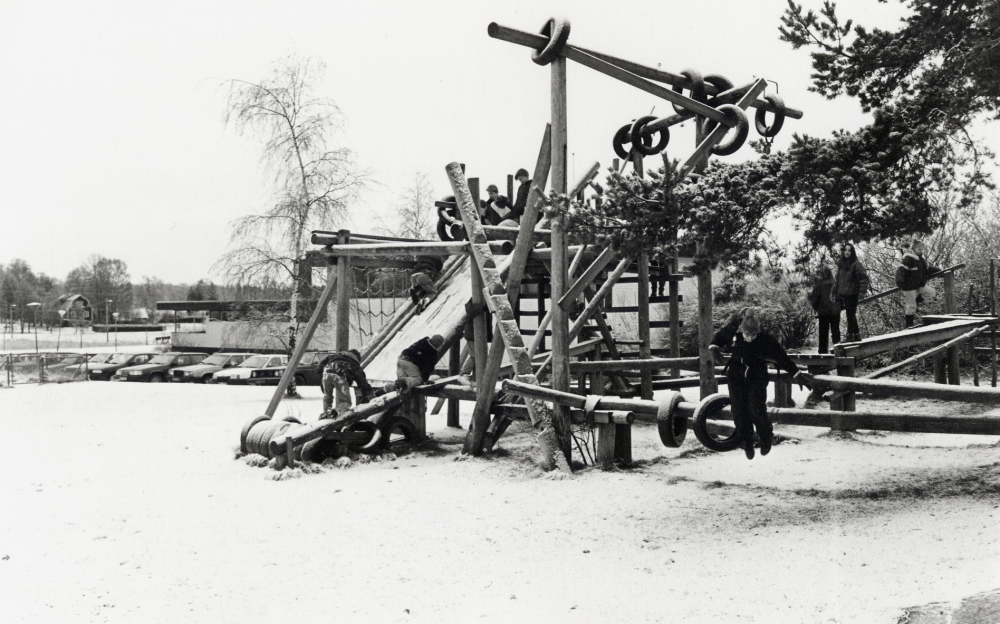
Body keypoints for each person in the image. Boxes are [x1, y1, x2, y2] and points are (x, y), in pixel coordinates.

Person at [709, 308, 810, 460]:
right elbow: (717, 338)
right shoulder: (733, 333)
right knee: (738, 411)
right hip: (736, 375)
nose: (750, 338)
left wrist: (797, 374)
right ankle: (748, 441)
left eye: (753, 335)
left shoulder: (765, 339)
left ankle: (766, 437)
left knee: (755, 410)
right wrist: (714, 348)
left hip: (757, 375)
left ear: (758, 332)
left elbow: (782, 357)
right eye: (747, 335)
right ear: (742, 331)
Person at [896, 239, 940, 328]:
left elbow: (928, 269)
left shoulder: (921, 260)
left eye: (922, 249)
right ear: (914, 248)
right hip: (909, 286)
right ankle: (909, 324)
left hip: (919, 285)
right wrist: (900, 282)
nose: (921, 251)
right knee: (911, 306)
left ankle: (918, 300)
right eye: (919, 249)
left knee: (931, 292)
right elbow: (901, 270)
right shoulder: (908, 258)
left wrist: (939, 271)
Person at [379, 334, 445, 394]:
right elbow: (427, 368)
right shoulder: (432, 353)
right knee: (417, 379)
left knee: (403, 387)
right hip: (409, 363)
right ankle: (401, 383)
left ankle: (383, 391)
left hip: (401, 359)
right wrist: (425, 380)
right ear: (438, 345)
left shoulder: (423, 341)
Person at [318, 349, 373, 417]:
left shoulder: (334, 356)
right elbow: (362, 381)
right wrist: (366, 393)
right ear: (357, 357)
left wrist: (321, 380)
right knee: (346, 402)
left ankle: (327, 414)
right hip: (340, 376)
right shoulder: (354, 363)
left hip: (326, 374)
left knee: (327, 397)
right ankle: (335, 412)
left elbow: (321, 365)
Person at [833, 242, 869, 342]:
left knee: (850, 314)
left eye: (849, 250)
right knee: (851, 314)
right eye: (845, 250)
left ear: (852, 252)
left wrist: (862, 292)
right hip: (844, 294)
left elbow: (864, 278)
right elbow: (837, 280)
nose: (847, 252)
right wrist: (834, 292)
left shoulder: (856, 264)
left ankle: (849, 336)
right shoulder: (841, 265)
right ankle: (857, 335)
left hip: (853, 293)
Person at [807, 266, 840, 354]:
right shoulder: (836, 284)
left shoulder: (819, 285)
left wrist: (816, 308)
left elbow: (815, 300)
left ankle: (823, 354)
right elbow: (841, 297)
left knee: (823, 335)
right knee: (836, 333)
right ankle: (838, 352)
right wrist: (839, 306)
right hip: (835, 311)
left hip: (823, 312)